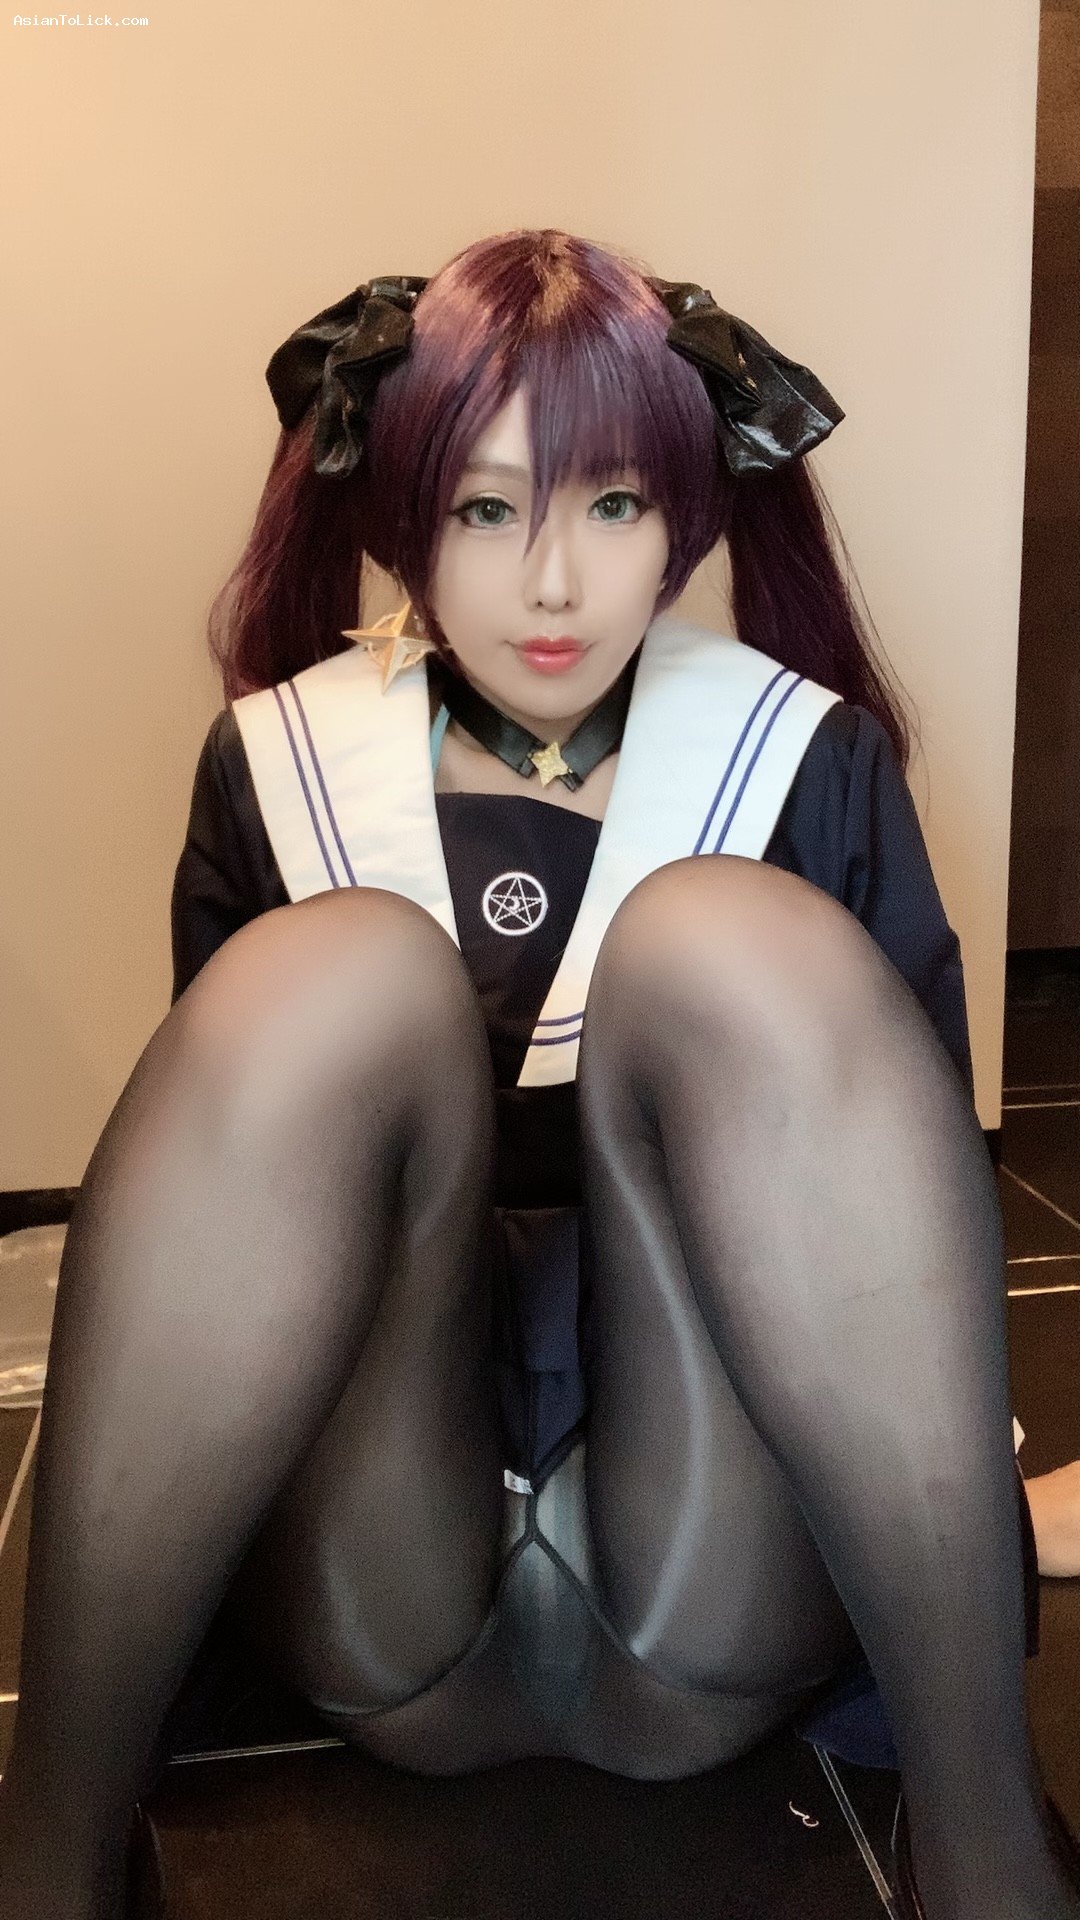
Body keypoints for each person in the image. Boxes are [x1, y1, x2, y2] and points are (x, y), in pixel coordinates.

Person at [1, 227, 1077, 1920]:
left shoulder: (801, 754)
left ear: (689, 514)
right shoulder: (281, 761)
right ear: (398, 509)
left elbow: (893, 1217)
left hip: (709, 1579)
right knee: (340, 973)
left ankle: (991, 1855)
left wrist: (981, 1509)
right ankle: (46, 1857)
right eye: (486, 508)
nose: (554, 584)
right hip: (386, 1582)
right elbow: (217, 1243)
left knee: (723, 937)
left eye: (614, 504)